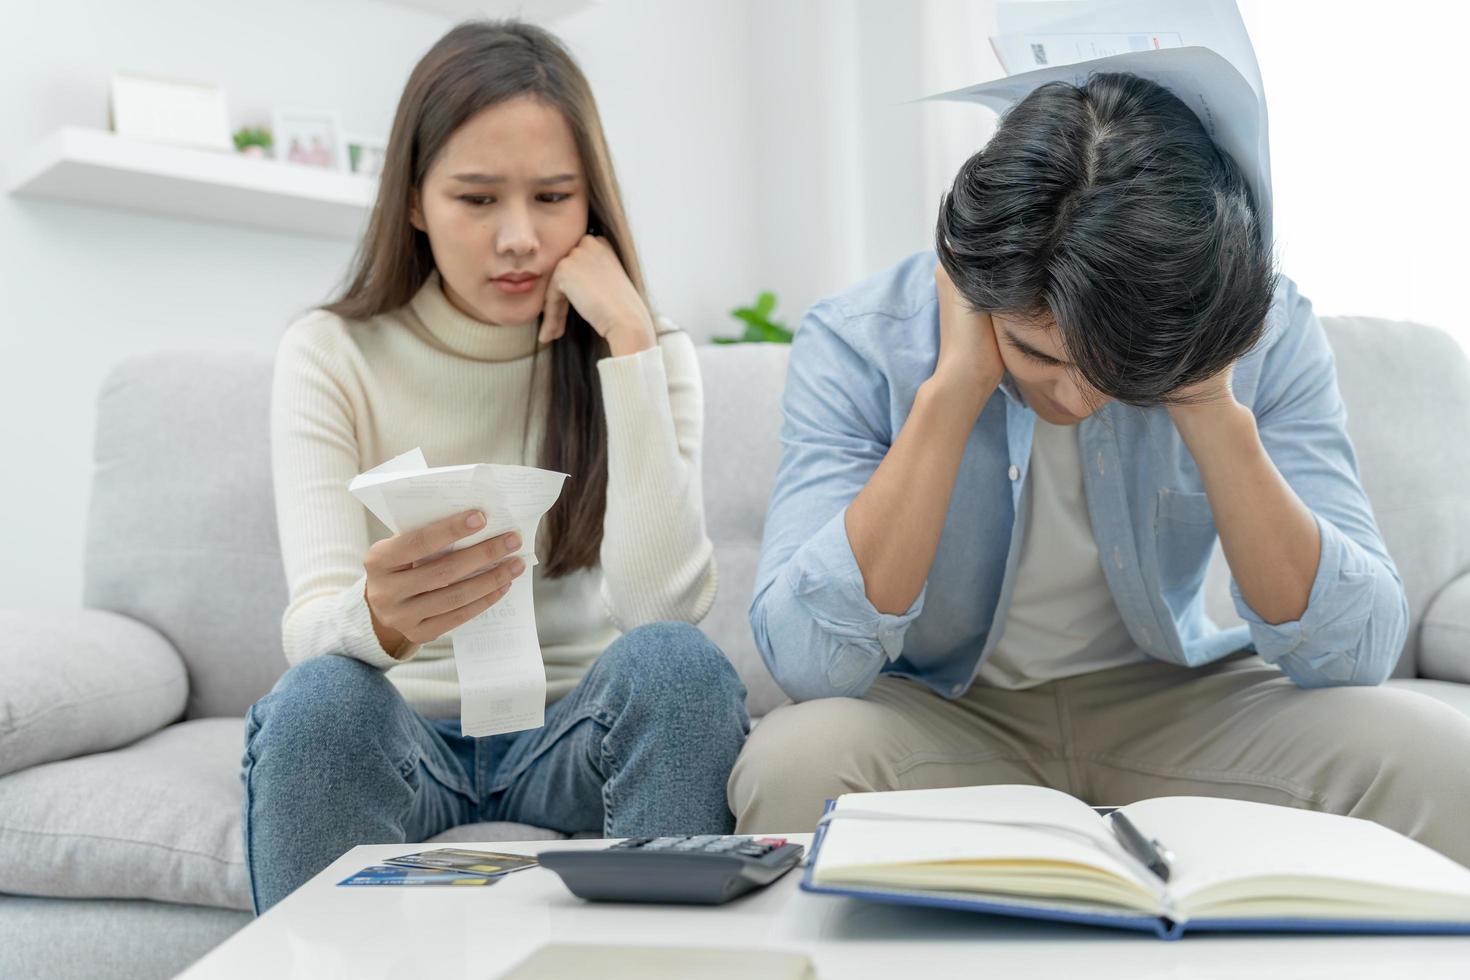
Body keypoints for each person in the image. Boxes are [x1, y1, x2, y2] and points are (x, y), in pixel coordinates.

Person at [729, 71, 1470, 865]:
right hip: (944, 711)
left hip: (1177, 701)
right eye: (1037, 351)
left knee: (1437, 758)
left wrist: (1205, 396)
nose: (1079, 397)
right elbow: (812, 663)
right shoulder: (858, 339)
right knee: (795, 763)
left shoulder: (1263, 327)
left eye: (1114, 372)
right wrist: (955, 390)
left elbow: (1351, 655)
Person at [242, 20, 748, 914]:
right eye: (477, 200)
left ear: (591, 202)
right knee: (319, 700)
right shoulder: (331, 354)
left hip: (577, 737)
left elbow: (659, 609)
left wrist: (629, 345)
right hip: (406, 737)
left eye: (553, 197)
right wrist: (380, 620)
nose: (519, 238)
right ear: (414, 200)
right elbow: (309, 629)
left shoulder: (647, 352)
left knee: (678, 663)